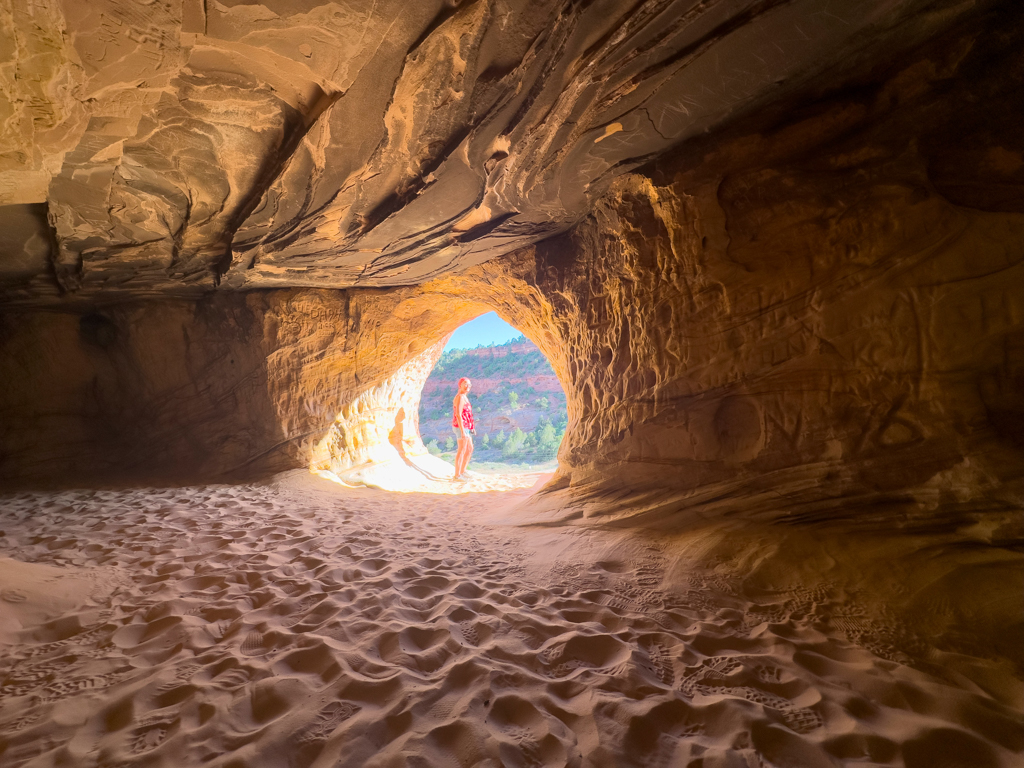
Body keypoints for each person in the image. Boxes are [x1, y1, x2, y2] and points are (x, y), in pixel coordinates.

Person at [451, 377, 475, 480]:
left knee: (469, 448)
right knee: (462, 450)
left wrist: (471, 427)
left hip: (466, 427)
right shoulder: (460, 397)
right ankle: (457, 475)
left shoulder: (464, 397)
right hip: (460, 427)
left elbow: (468, 414)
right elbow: (458, 414)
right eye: (465, 384)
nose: (467, 386)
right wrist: (462, 431)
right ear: (460, 385)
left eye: (469, 385)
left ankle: (463, 471)